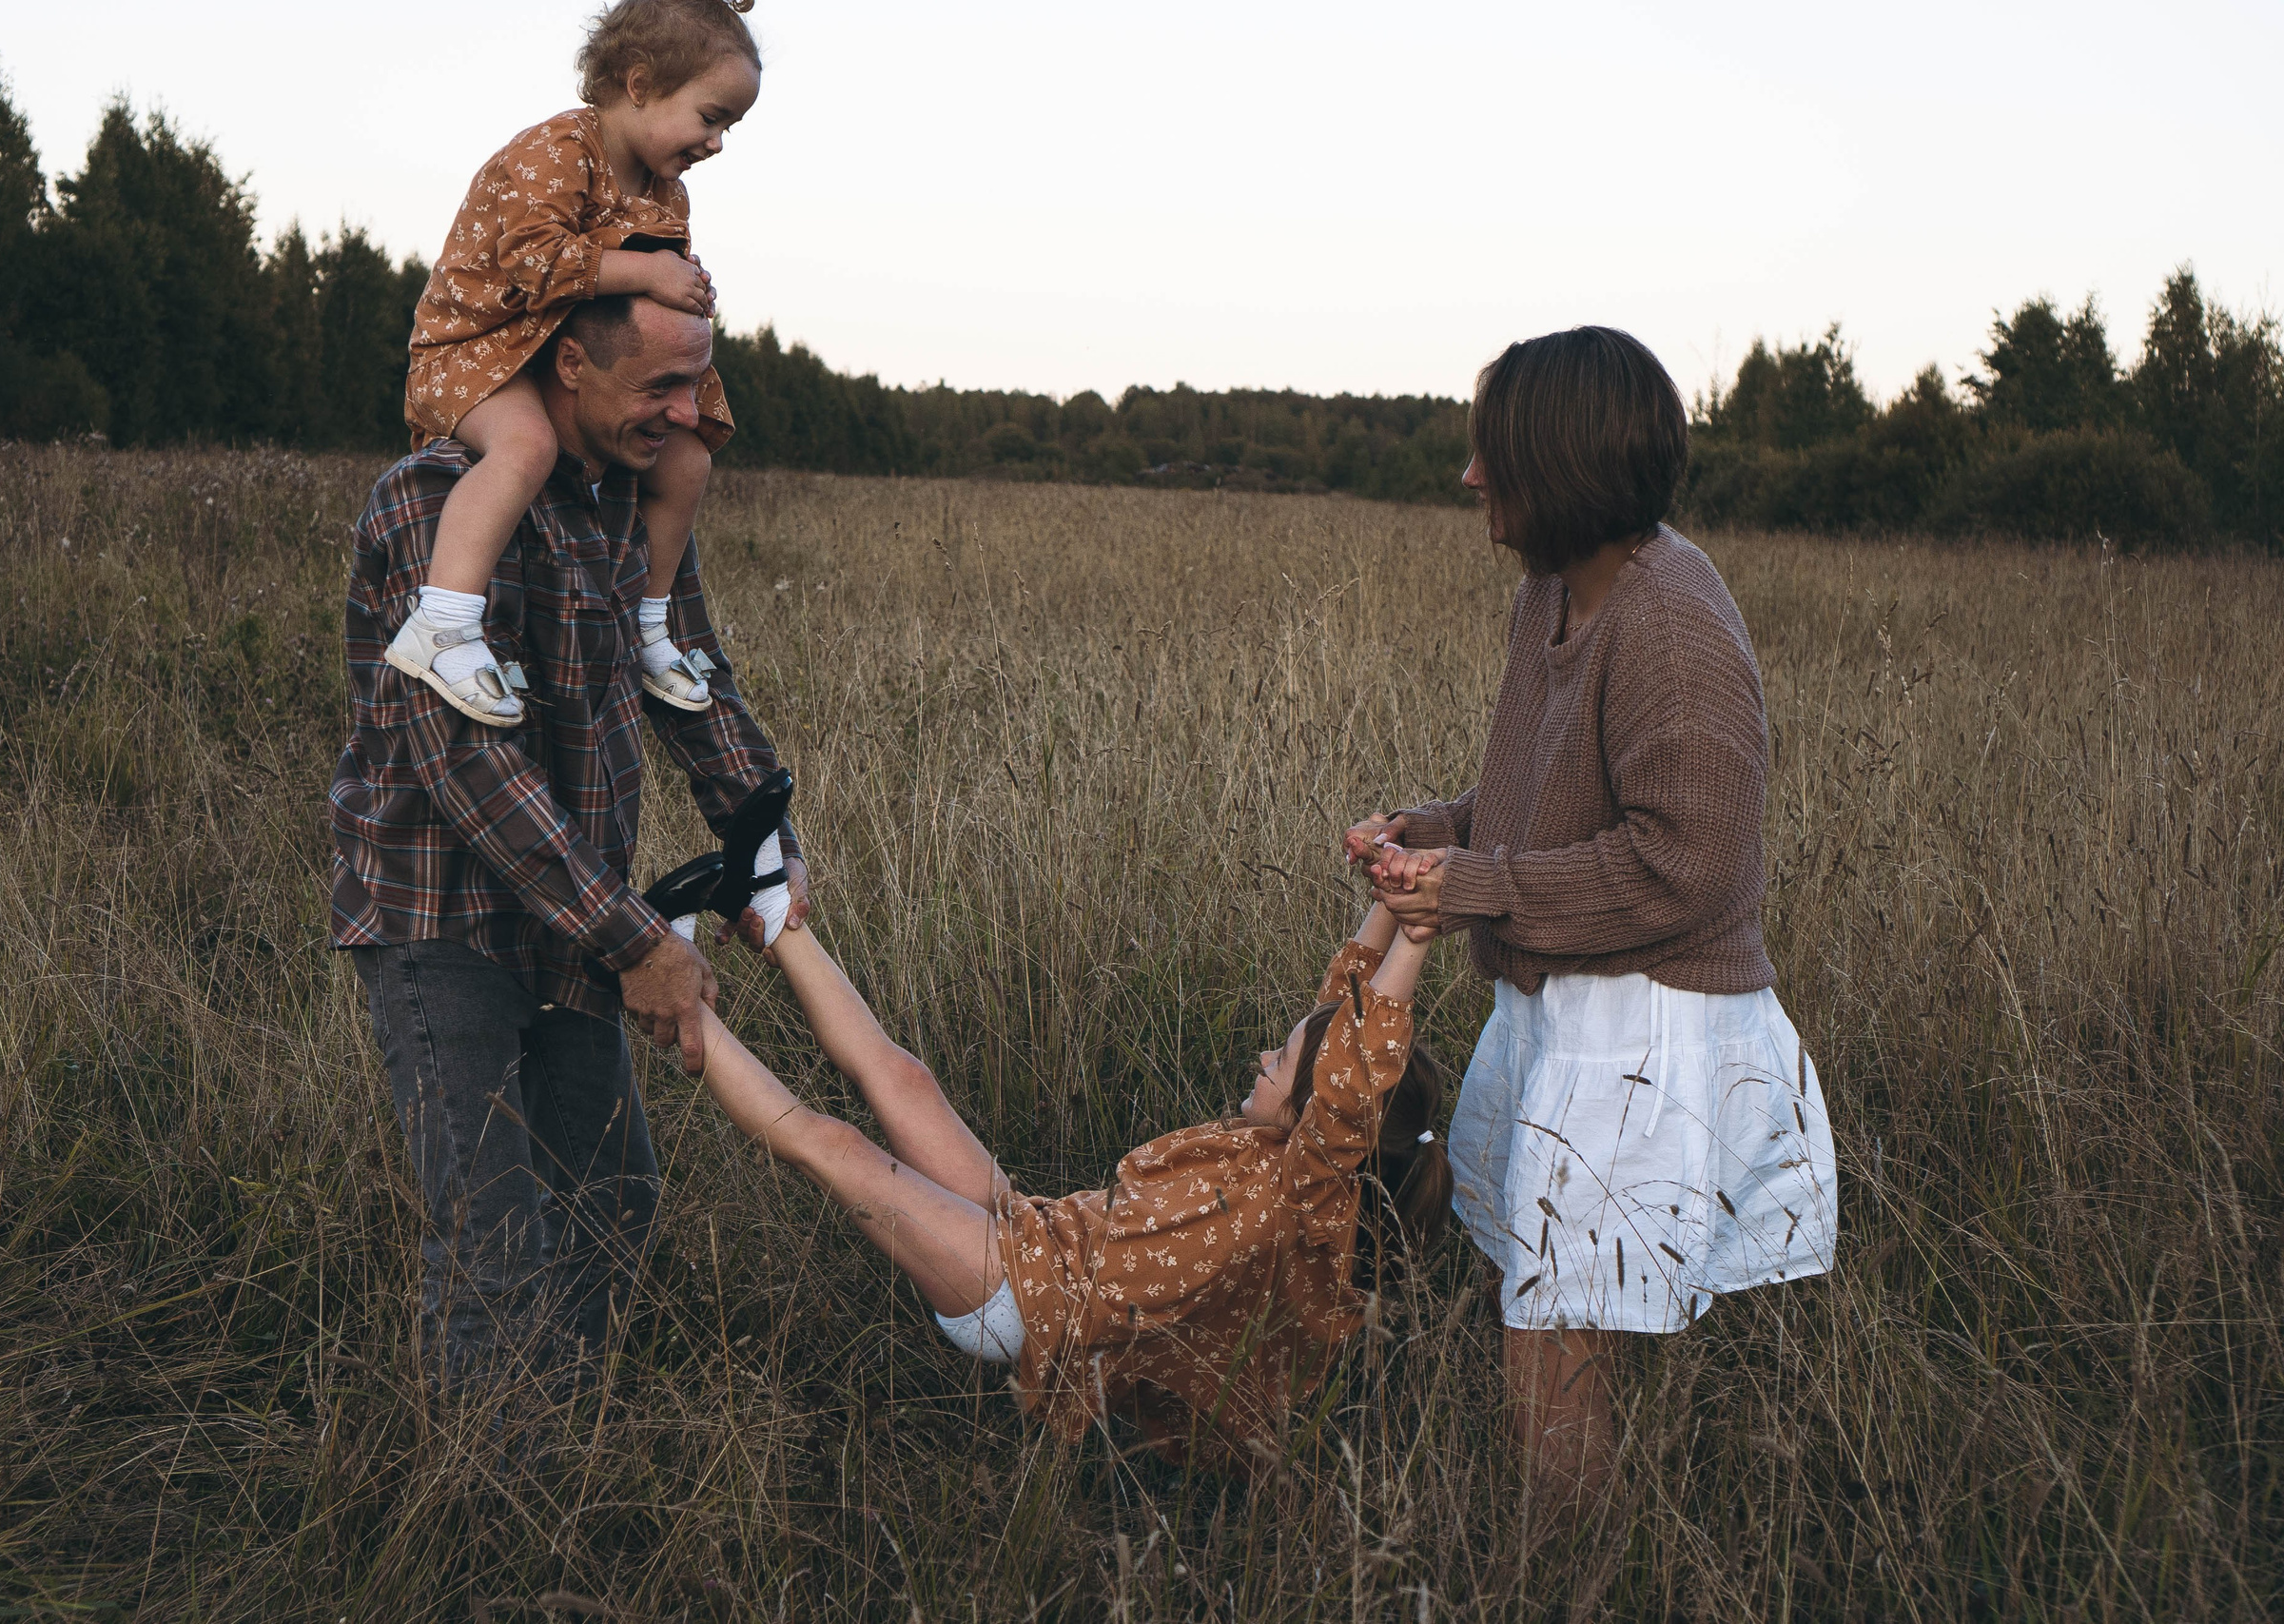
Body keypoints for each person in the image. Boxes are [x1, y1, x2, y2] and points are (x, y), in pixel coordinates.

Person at [1348, 325, 1839, 1511]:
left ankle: (1562, 1568)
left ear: (1559, 463)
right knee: (1526, 1293)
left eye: (1493, 453)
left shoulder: (1670, 621)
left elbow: (1691, 865)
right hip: (1565, 1006)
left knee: (1553, 1329)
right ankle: (1559, 1544)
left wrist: (1476, 884)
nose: (1470, 476)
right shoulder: (1552, 593)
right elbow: (1545, 800)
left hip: (1644, 1031)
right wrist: (1431, 831)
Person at [330, 293, 808, 1399]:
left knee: (611, 1205)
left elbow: (689, 676)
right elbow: (463, 760)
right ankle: (488, 1490)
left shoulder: (633, 504)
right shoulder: (435, 501)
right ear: (570, 364)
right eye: (660, 387)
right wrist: (636, 941)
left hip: (575, 921)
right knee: (491, 1244)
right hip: (439, 918)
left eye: (697, 385)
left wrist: (763, 832)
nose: (687, 415)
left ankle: (571, 1444)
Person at [683, 902, 1454, 1472]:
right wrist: (1390, 899)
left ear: (1324, 1111)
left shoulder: (1307, 1194)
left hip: (1025, 1301)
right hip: (1036, 1231)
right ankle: (773, 908)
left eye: (1279, 1062)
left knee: (834, 1146)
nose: (1262, 1058)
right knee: (904, 1077)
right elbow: (1342, 1017)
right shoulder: (1290, 1146)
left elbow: (1353, 1072)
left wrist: (1417, 939)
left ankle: (672, 997)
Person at [397, 0, 764, 726]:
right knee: (527, 446)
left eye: (730, 127)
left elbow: (640, 303)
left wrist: (684, 290)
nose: (717, 142)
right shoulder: (557, 150)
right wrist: (651, 273)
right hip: (475, 352)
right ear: (639, 84)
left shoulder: (667, 192)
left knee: (687, 461)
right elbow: (532, 263)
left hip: (557, 357)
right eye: (710, 117)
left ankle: (649, 624)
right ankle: (442, 622)